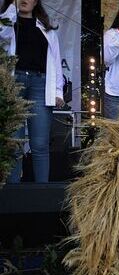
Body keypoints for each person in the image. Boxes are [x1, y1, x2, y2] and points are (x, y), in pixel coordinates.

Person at [0, 0, 64, 183]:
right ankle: (12, 194)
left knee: (40, 144)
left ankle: (41, 192)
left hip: (40, 84)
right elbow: (1, 34)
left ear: (36, 2)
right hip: (13, 83)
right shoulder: (7, 22)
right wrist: (12, 7)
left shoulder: (47, 29)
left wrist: (58, 91)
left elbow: (56, 61)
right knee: (14, 143)